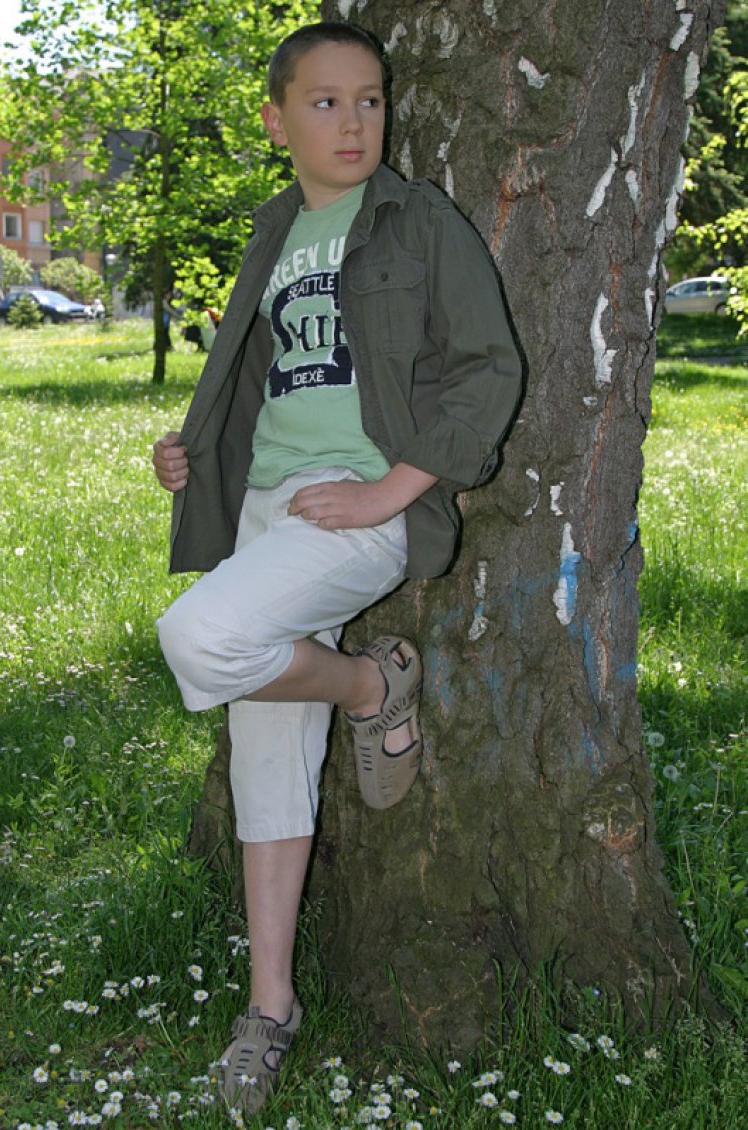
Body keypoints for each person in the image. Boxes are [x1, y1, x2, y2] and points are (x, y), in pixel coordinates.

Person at [152, 20, 522, 1115]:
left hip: (358, 509)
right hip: (266, 510)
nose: (353, 121)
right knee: (267, 760)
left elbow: (487, 368)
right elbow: (257, 383)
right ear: (277, 121)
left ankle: (368, 682)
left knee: (201, 637)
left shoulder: (416, 220)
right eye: (324, 102)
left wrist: (389, 490)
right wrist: (188, 451)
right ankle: (270, 1008)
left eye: (369, 99)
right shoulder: (274, 233)